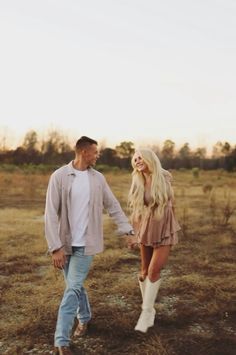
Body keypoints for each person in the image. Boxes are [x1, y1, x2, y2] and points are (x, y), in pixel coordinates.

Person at [44, 136, 134, 355]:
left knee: (72, 288)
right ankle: (85, 319)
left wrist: (128, 231)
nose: (97, 155)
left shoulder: (98, 179)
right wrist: (55, 247)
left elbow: (113, 206)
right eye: (95, 152)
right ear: (84, 152)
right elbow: (50, 214)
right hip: (65, 243)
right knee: (75, 286)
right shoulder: (60, 176)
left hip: (86, 243)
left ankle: (61, 340)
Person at [127, 148, 181, 333]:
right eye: (135, 159)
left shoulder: (164, 176)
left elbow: (172, 204)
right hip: (146, 228)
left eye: (140, 158)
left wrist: (172, 227)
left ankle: (146, 313)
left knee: (153, 270)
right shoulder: (137, 180)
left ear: (149, 159)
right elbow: (136, 210)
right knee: (143, 273)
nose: (137, 161)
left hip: (164, 227)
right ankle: (150, 310)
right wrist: (133, 233)